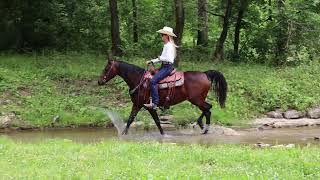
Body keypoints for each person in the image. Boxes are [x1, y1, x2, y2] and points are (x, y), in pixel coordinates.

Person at [144, 26, 178, 109]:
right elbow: (162, 58)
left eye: (162, 34)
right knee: (149, 76)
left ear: (167, 36)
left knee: (153, 81)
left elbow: (169, 59)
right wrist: (152, 61)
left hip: (167, 67)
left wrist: (159, 58)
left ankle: (155, 103)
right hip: (164, 66)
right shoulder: (166, 45)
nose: (161, 36)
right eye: (161, 34)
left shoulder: (169, 46)